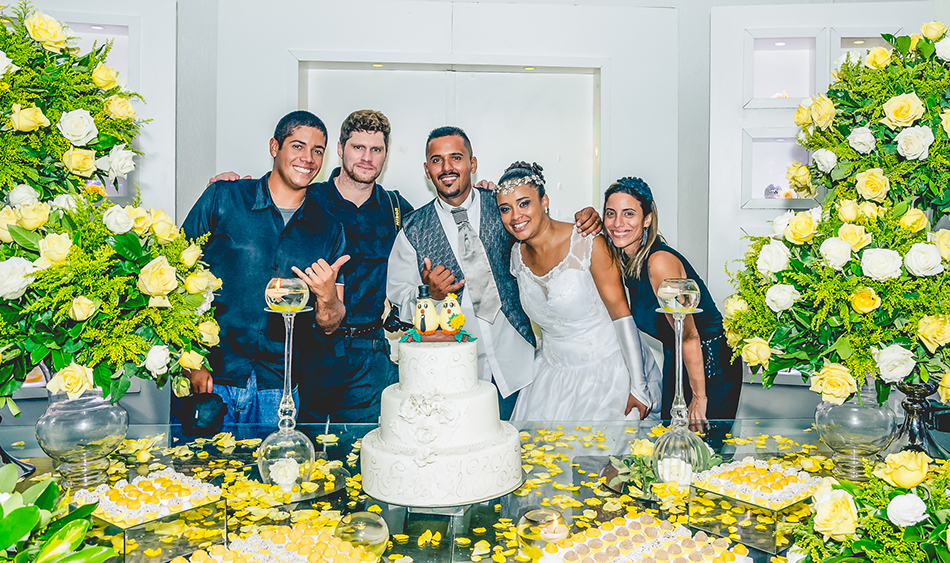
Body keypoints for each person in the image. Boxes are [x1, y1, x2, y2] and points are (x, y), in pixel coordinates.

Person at [208, 110, 413, 423]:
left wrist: (479, 194)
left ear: (386, 154)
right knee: (303, 451)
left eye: (377, 150)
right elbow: (268, 203)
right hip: (307, 351)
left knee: (361, 453)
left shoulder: (396, 208)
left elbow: (435, 226)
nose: (367, 158)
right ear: (341, 150)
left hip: (369, 355)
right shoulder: (308, 196)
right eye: (358, 147)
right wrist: (229, 188)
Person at [386, 127, 603, 420]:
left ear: (472, 165)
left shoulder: (504, 207)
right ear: (427, 170)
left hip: (520, 366)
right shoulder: (411, 230)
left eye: (456, 158)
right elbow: (399, 305)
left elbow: (549, 230)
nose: (447, 167)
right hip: (452, 374)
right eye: (437, 160)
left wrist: (586, 219)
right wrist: (430, 295)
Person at [182, 110, 349, 426]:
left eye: (317, 151)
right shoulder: (223, 198)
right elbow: (175, 280)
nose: (308, 158)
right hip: (211, 378)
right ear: (275, 147)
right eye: (298, 146)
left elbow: (330, 325)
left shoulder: (329, 230)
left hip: (280, 390)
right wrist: (189, 359)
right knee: (198, 473)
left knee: (274, 474)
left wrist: (327, 297)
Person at [493, 162, 659, 421]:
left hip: (606, 375)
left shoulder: (587, 241)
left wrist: (638, 385)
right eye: (506, 209)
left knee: (601, 457)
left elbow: (621, 315)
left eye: (524, 203)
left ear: (544, 200)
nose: (516, 216)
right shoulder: (516, 257)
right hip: (550, 381)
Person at [602, 177, 742, 423]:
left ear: (647, 219)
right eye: (610, 214)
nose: (618, 223)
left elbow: (689, 334)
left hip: (710, 361)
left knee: (705, 453)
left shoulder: (659, 263)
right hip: (677, 357)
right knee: (673, 450)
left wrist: (699, 397)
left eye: (629, 214)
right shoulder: (625, 258)